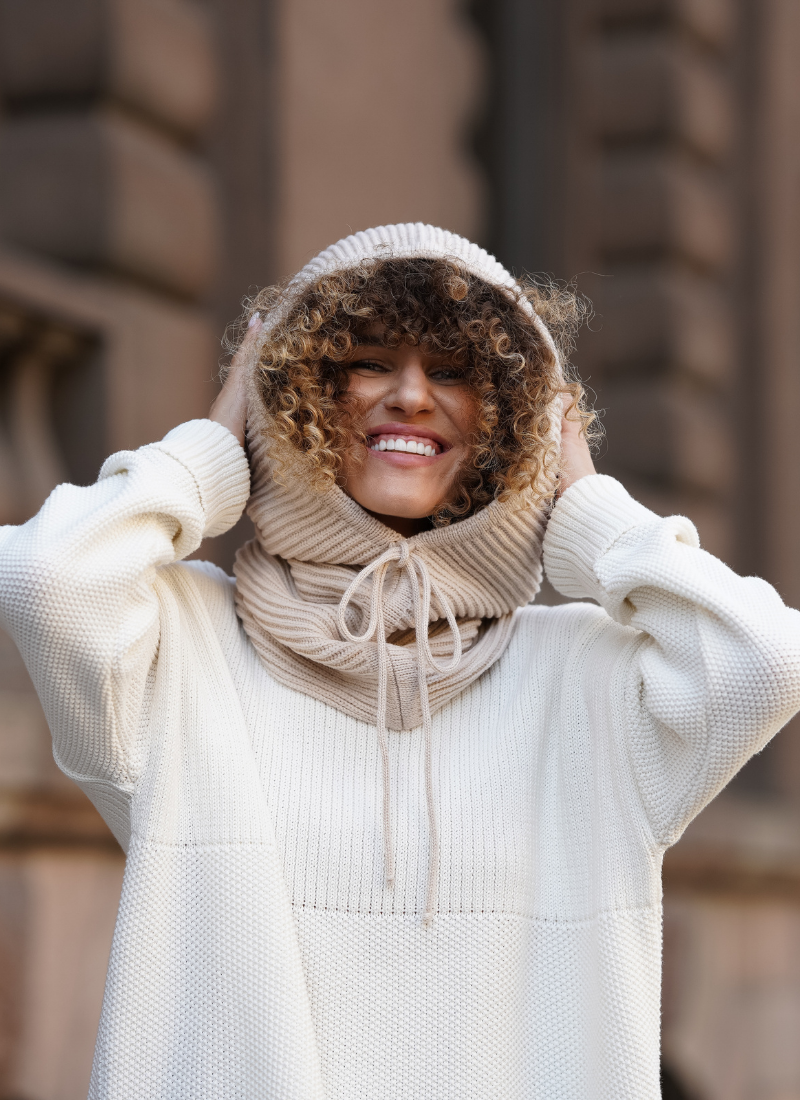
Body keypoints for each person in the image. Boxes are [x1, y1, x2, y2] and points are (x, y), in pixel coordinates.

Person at [1, 223, 799, 1100]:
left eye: (455, 371)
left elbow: (762, 659)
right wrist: (212, 449)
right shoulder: (184, 650)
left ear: (515, 418)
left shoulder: (587, 680)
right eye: (367, 362)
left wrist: (586, 512)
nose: (413, 397)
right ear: (296, 392)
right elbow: (46, 579)